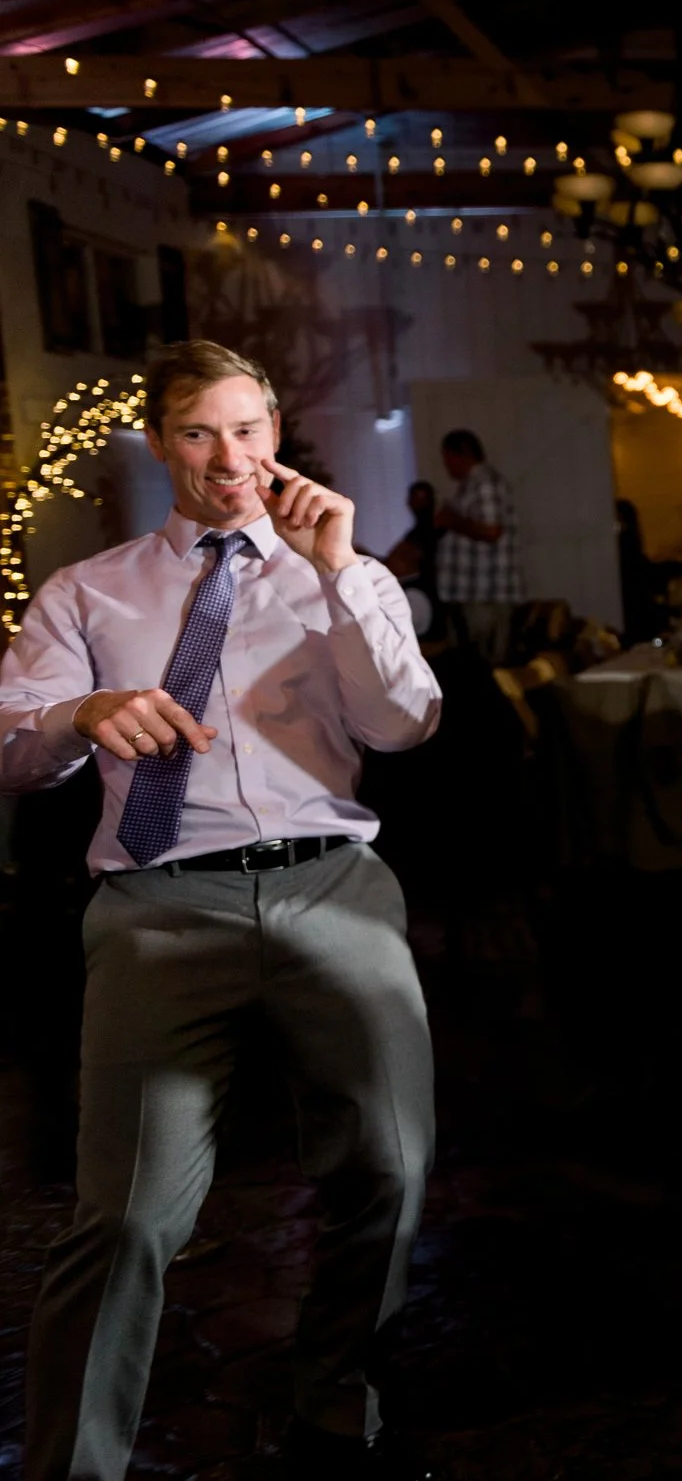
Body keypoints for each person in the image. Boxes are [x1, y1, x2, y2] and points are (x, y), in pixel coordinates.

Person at [0, 341, 442, 1479]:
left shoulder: (350, 573)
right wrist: (81, 713)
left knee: (388, 1174)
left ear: (277, 433)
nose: (229, 458)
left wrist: (339, 571)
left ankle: (337, 1412)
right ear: (161, 441)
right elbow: (12, 754)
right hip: (157, 902)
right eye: (199, 432)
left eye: (248, 430)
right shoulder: (85, 590)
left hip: (331, 883)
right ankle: (72, 1467)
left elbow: (403, 726)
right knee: (130, 1216)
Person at [434, 428, 520, 664]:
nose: (446, 465)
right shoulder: (471, 485)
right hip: (474, 593)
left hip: (486, 593)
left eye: (447, 458)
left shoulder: (485, 485)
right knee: (474, 663)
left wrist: (452, 520)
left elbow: (491, 530)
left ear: (460, 454)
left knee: (487, 664)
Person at [383, 480, 440, 640]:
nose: (417, 503)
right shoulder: (417, 532)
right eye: (415, 498)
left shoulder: (412, 597)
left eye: (423, 498)